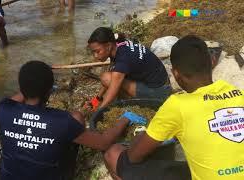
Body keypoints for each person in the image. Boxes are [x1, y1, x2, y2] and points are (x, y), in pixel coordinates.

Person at [103, 35, 244, 180]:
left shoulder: (177, 105)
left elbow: (134, 157)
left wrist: (139, 137)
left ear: (176, 74)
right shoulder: (239, 94)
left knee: (113, 154)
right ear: (212, 61)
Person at [0, 61, 145, 180]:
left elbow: (23, 93)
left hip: (7, 176)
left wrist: (34, 80)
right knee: (77, 118)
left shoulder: (3, 109)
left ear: (22, 87)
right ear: (49, 92)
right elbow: (104, 142)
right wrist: (125, 119)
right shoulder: (61, 122)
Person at [87, 27, 171, 111]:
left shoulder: (122, 59)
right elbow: (112, 73)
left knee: (107, 79)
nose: (95, 56)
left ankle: (129, 103)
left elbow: (112, 89)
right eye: (93, 52)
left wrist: (98, 112)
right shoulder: (119, 44)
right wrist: (97, 99)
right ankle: (127, 99)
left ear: (108, 46)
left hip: (160, 93)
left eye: (97, 51)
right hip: (159, 82)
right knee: (109, 77)